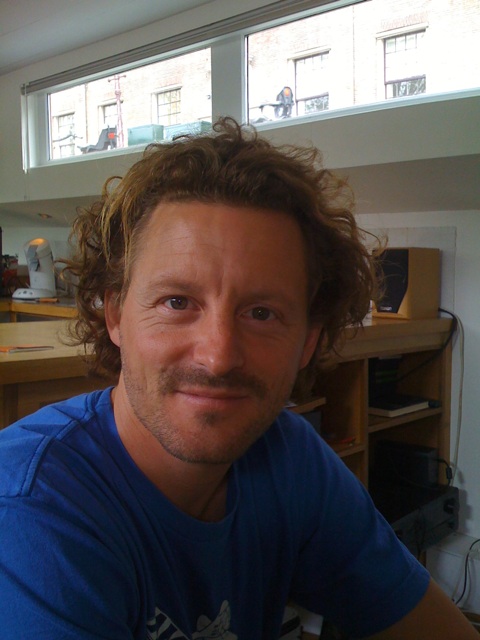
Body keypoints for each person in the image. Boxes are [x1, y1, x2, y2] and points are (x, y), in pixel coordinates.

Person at [0, 118, 475, 640]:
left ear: (308, 341)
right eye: (177, 302)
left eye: (262, 313)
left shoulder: (290, 459)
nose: (219, 357)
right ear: (115, 316)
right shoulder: (30, 515)